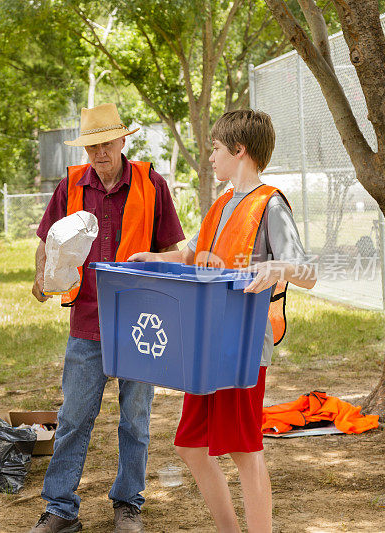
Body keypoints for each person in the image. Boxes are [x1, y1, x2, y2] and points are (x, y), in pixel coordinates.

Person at [128, 109, 316, 532]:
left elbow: (308, 271)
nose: (210, 157)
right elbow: (192, 252)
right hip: (207, 343)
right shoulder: (221, 204)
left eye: (215, 148)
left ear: (239, 149)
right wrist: (155, 258)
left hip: (243, 348)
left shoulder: (270, 205)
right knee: (191, 445)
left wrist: (278, 269)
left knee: (245, 452)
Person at [29, 103, 185, 533]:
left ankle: (128, 503)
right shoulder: (71, 185)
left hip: (141, 323)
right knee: (75, 416)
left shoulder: (153, 184)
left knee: (135, 420)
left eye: (105, 144)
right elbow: (48, 237)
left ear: (122, 140)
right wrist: (41, 274)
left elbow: (172, 249)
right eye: (91, 146)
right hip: (88, 319)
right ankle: (60, 509)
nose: (99, 153)